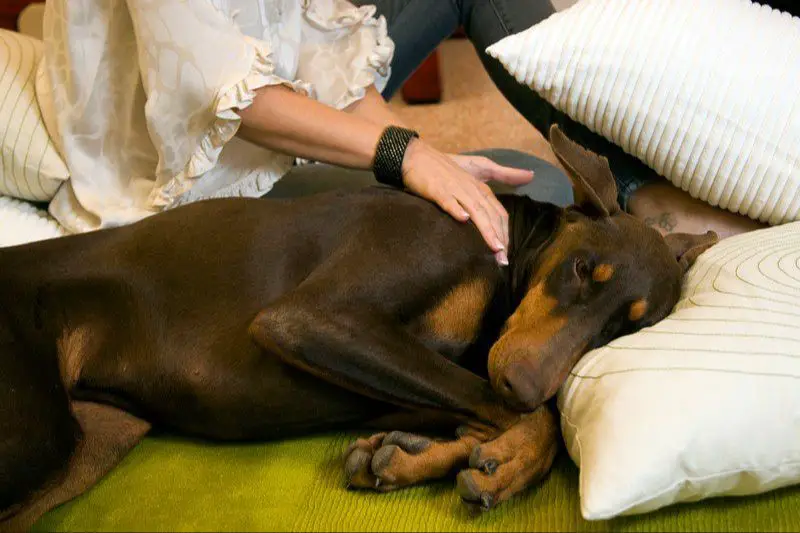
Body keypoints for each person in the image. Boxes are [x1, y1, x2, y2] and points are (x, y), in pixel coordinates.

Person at [39, 0, 766, 266]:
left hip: (268, 108)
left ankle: (642, 192)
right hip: (181, 158)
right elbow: (223, 93)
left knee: (503, 180)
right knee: (524, 195)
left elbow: (316, 47)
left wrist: (426, 158)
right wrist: (403, 152)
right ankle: (643, 198)